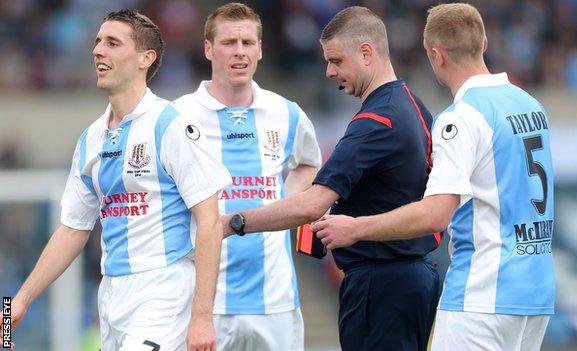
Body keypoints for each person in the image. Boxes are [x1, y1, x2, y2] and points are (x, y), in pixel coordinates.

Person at [312, 3, 555, 351]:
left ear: (435, 56)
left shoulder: (462, 118)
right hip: (536, 292)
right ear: (484, 43)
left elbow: (435, 214)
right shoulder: (531, 105)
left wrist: (356, 227)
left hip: (482, 295)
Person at [220, 6, 441, 351]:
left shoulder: (375, 123)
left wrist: (234, 222)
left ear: (366, 53)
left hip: (379, 283)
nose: (328, 71)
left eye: (336, 60)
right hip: (413, 278)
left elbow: (312, 204)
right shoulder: (415, 107)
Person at [9, 9, 231, 351]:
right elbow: (72, 229)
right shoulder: (91, 139)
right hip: (111, 293)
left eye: (112, 43)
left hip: (164, 289)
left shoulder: (170, 125)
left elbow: (210, 220)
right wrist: (22, 299)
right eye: (98, 42)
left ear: (146, 58)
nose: (98, 50)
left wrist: (202, 316)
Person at [174, 3, 321, 351]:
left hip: (275, 300)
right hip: (205, 305)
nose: (239, 51)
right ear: (208, 49)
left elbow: (309, 164)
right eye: (228, 42)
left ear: (260, 49)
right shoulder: (178, 117)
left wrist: (287, 198)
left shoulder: (287, 113)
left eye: (247, 42)